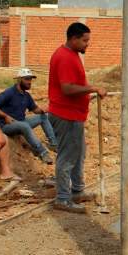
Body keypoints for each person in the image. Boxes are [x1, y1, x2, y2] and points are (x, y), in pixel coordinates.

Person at [48, 22, 106, 213]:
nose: (87, 44)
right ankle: (63, 198)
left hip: (74, 114)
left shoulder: (71, 55)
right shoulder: (64, 57)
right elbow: (67, 88)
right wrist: (93, 88)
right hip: (66, 115)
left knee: (78, 154)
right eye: (84, 40)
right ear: (73, 39)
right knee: (67, 157)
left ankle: (77, 191)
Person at [0, 68, 56, 165]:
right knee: (25, 126)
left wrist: (44, 109)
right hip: (6, 125)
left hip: (21, 121)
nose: (29, 82)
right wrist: (5, 116)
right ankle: (42, 152)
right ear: (19, 80)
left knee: (44, 117)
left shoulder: (26, 95)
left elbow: (35, 110)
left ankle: (53, 144)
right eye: (27, 79)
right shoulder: (9, 92)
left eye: (30, 79)